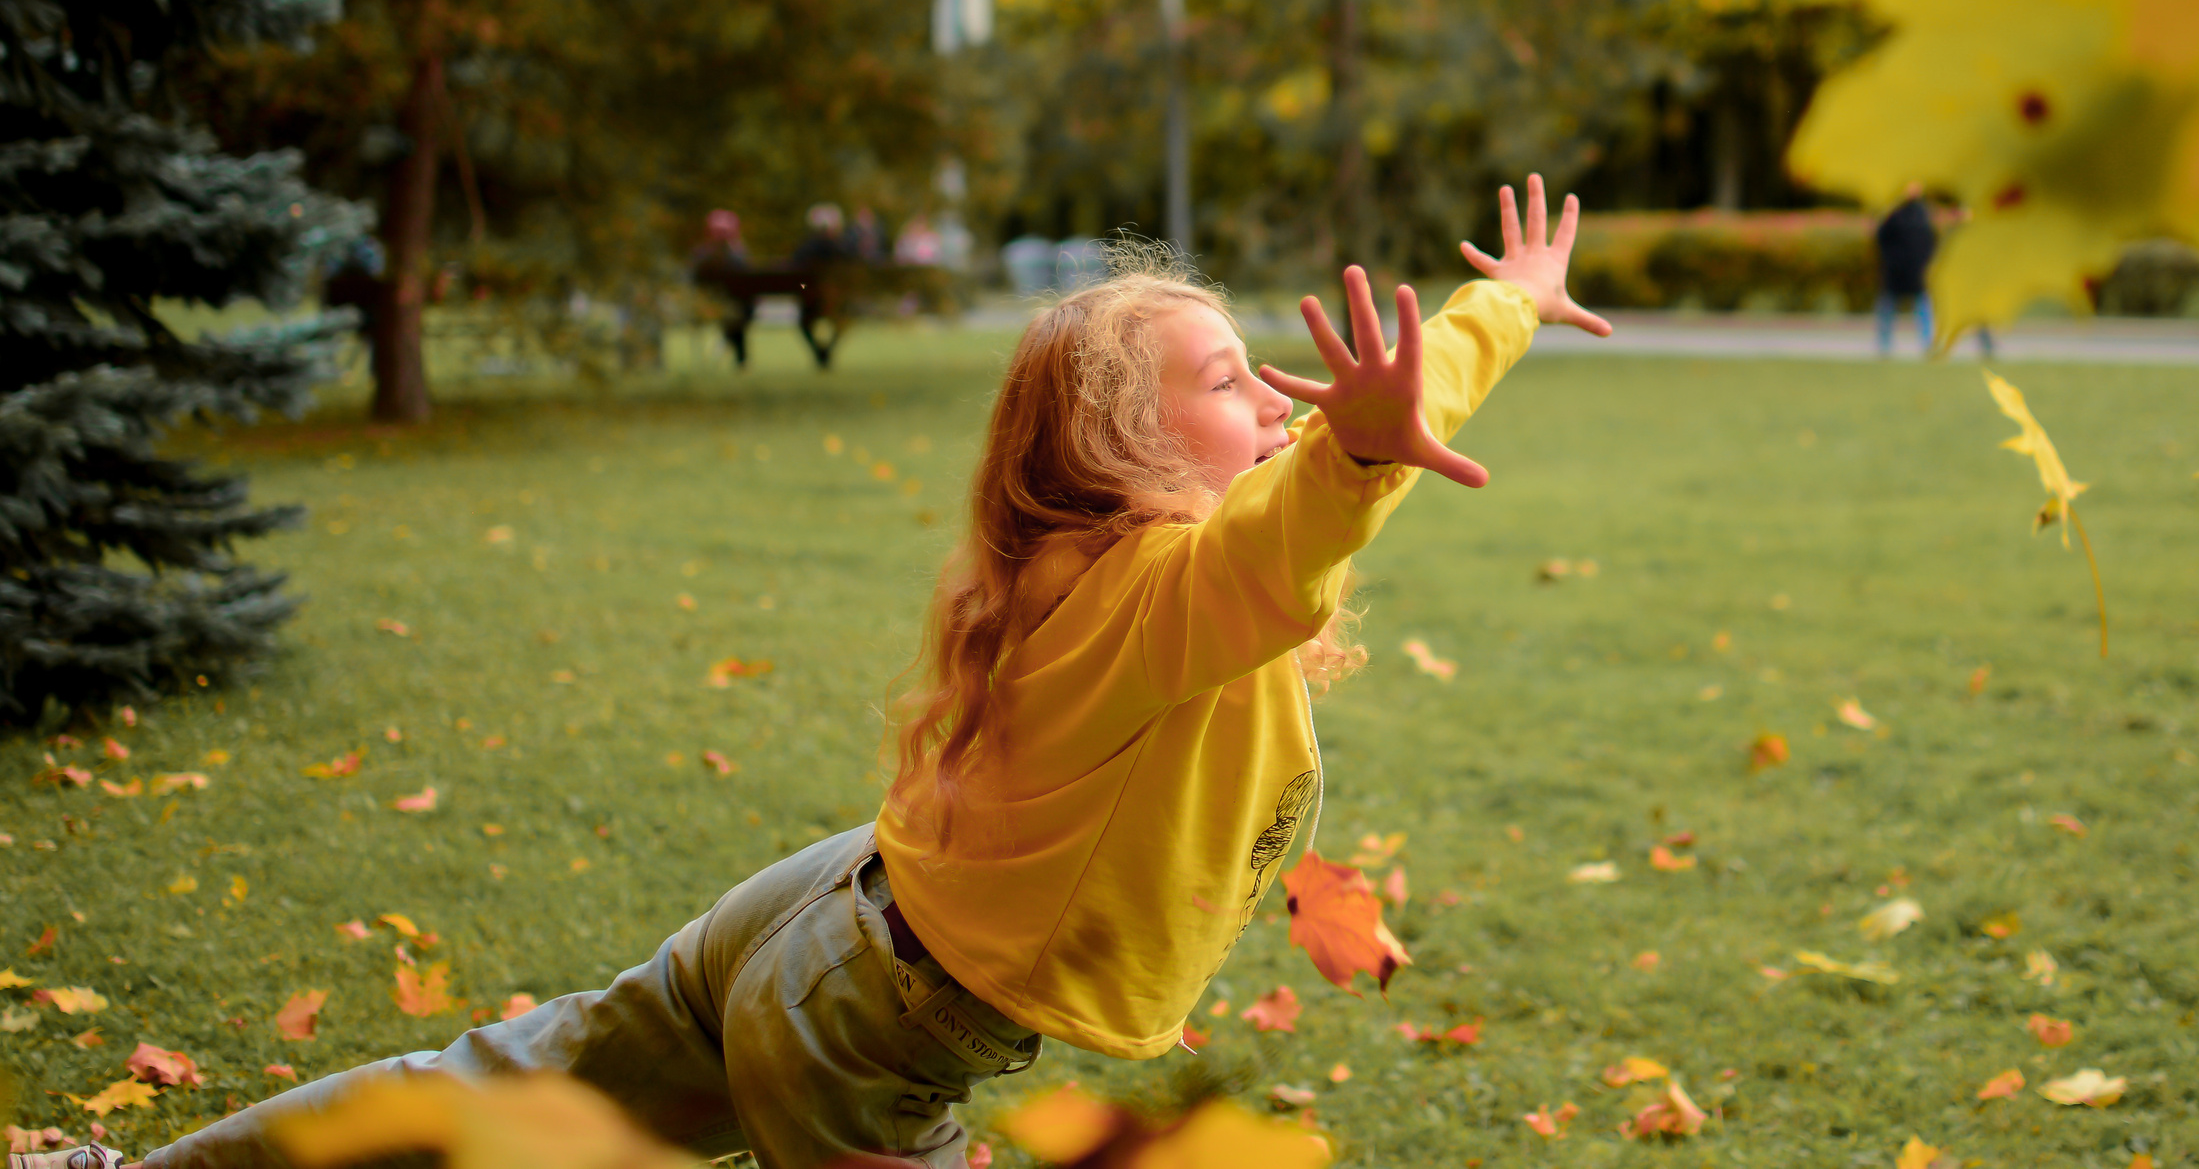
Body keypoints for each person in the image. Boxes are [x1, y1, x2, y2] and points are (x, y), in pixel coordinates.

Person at [110, 176, 1609, 1169]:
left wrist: (1508, 309)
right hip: (867, 1023)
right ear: (1126, 448)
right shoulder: (1160, 588)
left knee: (508, 1074)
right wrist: (1359, 442)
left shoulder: (1072, 568)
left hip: (835, 904)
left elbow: (1289, 537)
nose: (1276, 395)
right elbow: (1298, 526)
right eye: (1227, 379)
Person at [791, 203, 860, 367]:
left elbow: (797, 275)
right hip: (831, 299)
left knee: (805, 320)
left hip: (811, 296)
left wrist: (804, 289)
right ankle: (825, 352)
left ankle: (821, 352)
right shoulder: (842, 248)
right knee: (844, 316)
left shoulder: (805, 249)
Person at [688, 210, 755, 369]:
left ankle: (729, 345)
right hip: (730, 306)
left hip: (711, 305)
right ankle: (739, 357)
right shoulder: (739, 255)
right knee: (738, 313)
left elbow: (691, 279)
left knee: (734, 315)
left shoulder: (701, 255)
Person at [1874, 185, 1936, 355]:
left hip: (1910, 270)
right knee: (1892, 307)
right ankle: (1885, 345)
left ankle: (1926, 344)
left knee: (1920, 308)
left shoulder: (1916, 215)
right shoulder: (1903, 215)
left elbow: (1928, 242)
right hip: (1903, 270)